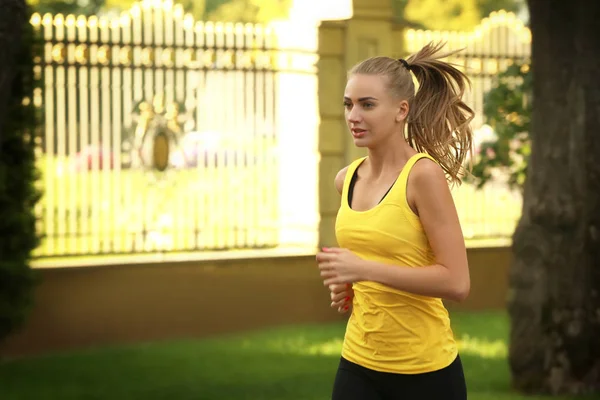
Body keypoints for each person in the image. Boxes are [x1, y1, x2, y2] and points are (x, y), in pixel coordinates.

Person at [316, 41, 473, 400]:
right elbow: (381, 259)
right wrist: (346, 284)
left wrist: (364, 269)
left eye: (367, 105)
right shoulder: (347, 179)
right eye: (348, 104)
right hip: (358, 361)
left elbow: (457, 281)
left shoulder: (422, 177)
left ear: (402, 110)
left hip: (425, 372)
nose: (354, 116)